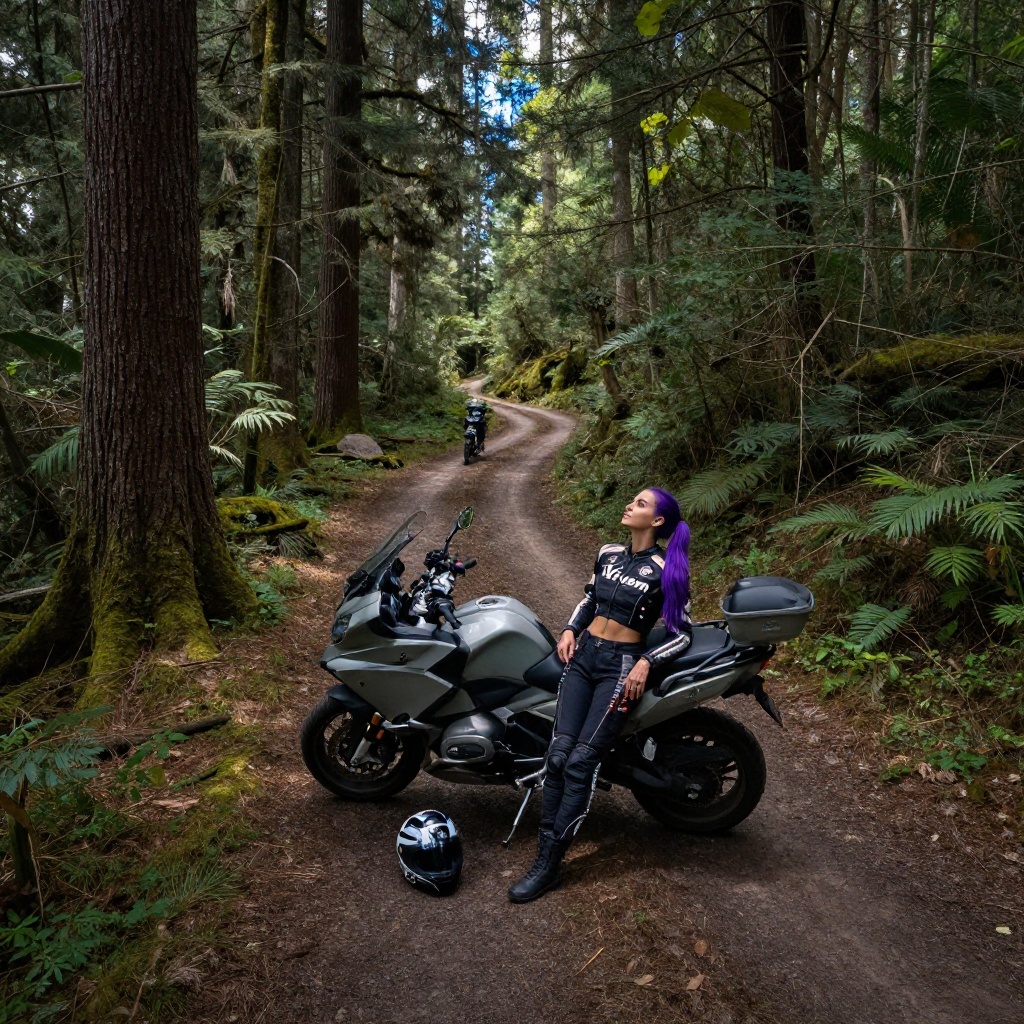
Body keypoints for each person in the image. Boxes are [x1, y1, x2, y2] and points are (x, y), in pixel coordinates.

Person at [508, 487, 693, 903]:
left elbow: (683, 634)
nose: (630, 506)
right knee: (556, 757)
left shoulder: (667, 568)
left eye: (641, 504)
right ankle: (544, 858)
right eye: (634, 501)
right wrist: (570, 629)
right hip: (584, 658)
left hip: (621, 667)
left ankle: (548, 864)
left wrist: (647, 661)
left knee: (580, 762)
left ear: (658, 521)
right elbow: (590, 599)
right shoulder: (608, 553)